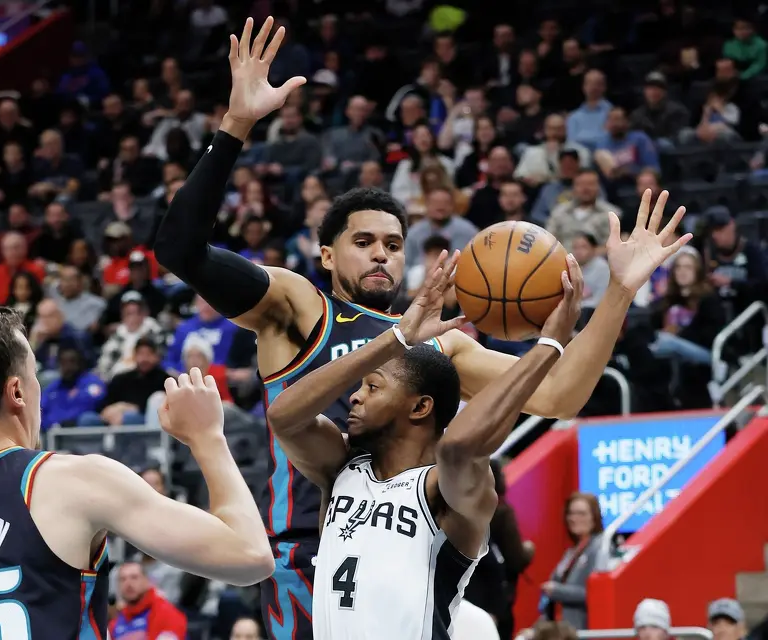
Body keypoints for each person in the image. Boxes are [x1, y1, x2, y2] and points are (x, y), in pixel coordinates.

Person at [153, 17, 691, 640]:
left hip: (418, 549)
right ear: (326, 254)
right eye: (362, 242)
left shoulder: (443, 343)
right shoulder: (299, 305)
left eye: (393, 243)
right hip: (309, 544)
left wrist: (619, 294)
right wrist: (237, 124)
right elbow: (180, 250)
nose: (381, 253)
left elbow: (559, 396)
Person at [0, 308, 274, 639]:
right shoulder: (73, 482)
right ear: (18, 391)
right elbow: (250, 557)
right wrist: (208, 439)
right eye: (35, 375)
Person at [265, 252, 580, 638]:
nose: (354, 398)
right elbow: (283, 416)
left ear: (419, 407)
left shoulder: (440, 490)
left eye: (373, 386)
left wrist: (549, 345)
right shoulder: (341, 468)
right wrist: (395, 338)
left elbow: (459, 448)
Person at [540, 492, 605, 630]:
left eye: (581, 513)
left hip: (582, 628)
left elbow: (596, 594)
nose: (574, 518)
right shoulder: (571, 552)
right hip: (559, 628)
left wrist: (557, 591)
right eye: (571, 513)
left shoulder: (600, 548)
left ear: (594, 517)